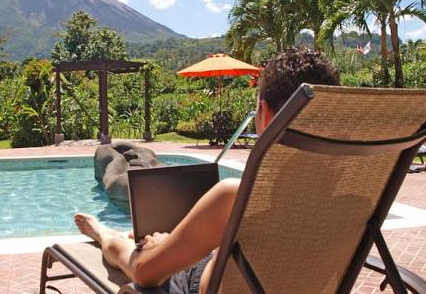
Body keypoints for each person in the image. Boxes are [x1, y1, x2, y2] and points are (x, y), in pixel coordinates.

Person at [74, 48, 341, 294]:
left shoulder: (235, 198)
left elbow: (145, 275)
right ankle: (168, 242)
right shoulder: (354, 201)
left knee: (132, 251)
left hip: (199, 284)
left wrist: (158, 250)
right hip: (250, 272)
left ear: (266, 114)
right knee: (177, 244)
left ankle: (103, 233)